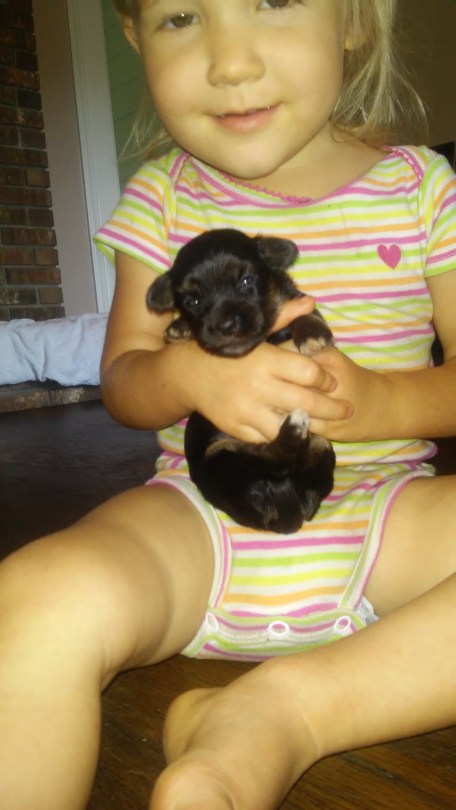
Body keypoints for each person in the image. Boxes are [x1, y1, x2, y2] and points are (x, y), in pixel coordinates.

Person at [1, 1, 455, 808]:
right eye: (181, 17)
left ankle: (287, 713)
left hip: (392, 518)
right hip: (195, 521)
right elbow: (125, 382)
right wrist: (186, 374)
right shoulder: (160, 196)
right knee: (32, 597)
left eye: (273, 0)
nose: (230, 61)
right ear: (135, 34)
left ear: (354, 17)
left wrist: (380, 398)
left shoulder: (424, 188)